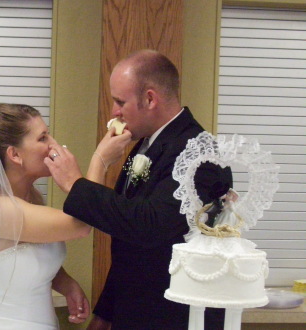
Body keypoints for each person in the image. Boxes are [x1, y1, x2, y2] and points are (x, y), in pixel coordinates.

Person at [45, 50, 233, 329]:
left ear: (149, 98)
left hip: (172, 316)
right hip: (133, 310)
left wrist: (75, 184)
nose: (113, 112)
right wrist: (107, 311)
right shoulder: (146, 144)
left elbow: (150, 225)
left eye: (120, 101)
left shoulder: (199, 153)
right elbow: (128, 244)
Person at [0, 103, 120, 329]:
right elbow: (81, 225)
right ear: (14, 154)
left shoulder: (31, 198)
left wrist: (66, 283)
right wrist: (100, 161)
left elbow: (25, 257)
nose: (55, 145)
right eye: (43, 138)